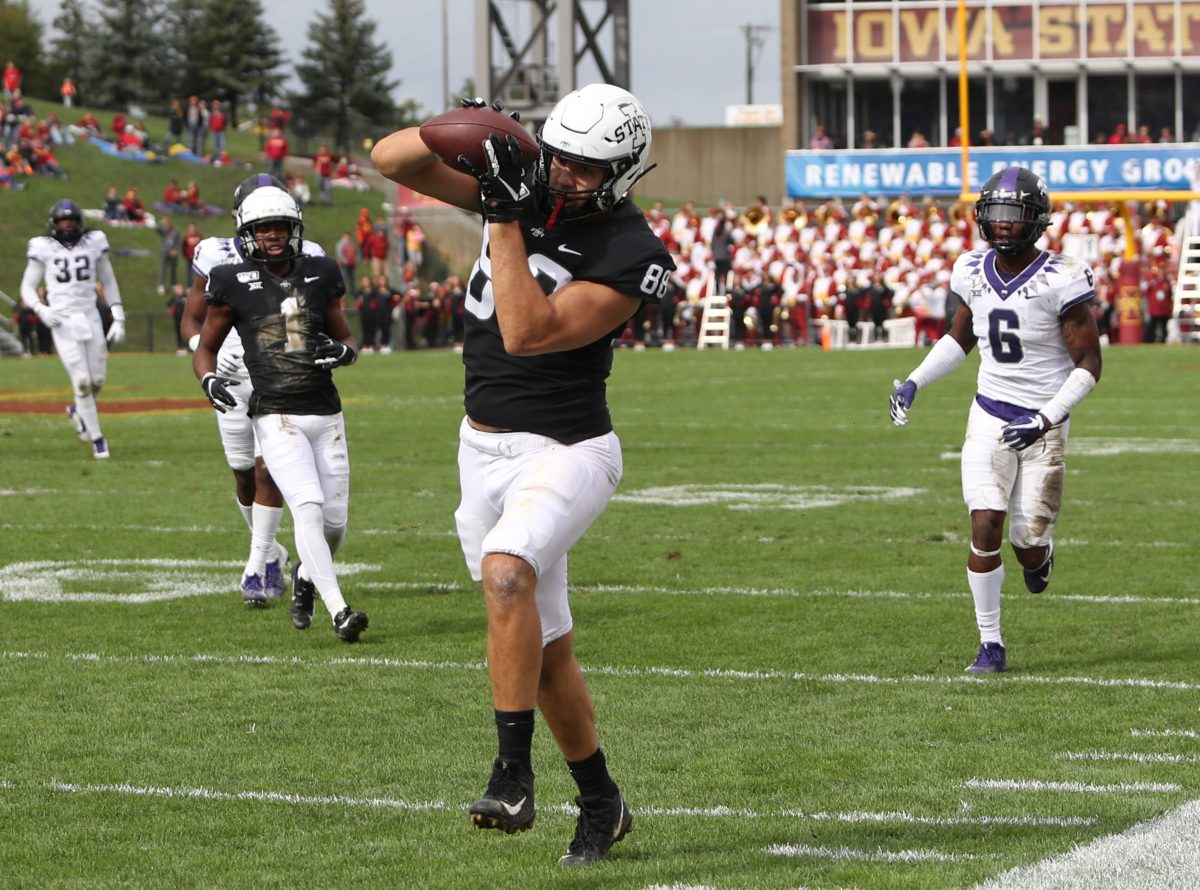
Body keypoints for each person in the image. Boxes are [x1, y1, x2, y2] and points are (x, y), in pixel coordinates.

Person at [371, 83, 673, 866]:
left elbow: (527, 331)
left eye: (583, 166)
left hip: (568, 450)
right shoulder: (527, 180)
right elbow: (389, 159)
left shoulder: (632, 251)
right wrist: (476, 130)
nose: (565, 175)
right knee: (547, 653)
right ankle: (602, 802)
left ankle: (511, 774)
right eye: (558, 156)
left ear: (623, 171)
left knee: (507, 577)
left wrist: (503, 212)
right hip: (480, 451)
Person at [889, 166, 1103, 675]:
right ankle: (990, 644)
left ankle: (1041, 554)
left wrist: (1046, 418)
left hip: (1043, 421)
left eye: (1014, 214)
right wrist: (915, 379)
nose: (1003, 224)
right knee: (984, 522)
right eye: (996, 214)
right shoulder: (969, 269)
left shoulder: (1062, 277)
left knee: (1026, 543)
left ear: (1035, 220)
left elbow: (1090, 364)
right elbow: (960, 337)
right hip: (989, 412)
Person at [193, 185, 367, 642]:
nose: (272, 235)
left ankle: (305, 577)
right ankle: (340, 611)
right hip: (273, 413)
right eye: (262, 228)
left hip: (325, 412)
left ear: (295, 229)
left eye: (280, 227)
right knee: (306, 508)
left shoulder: (321, 271)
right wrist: (208, 377)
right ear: (246, 233)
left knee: (333, 527)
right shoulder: (230, 280)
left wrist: (343, 353)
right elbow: (205, 346)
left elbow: (346, 336)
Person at [181, 174, 328, 605]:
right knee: (244, 472)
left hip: (277, 376)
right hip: (228, 378)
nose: (273, 230)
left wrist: (294, 355)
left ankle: (258, 564)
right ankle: (269, 550)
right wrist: (203, 351)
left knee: (269, 469)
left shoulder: (306, 257)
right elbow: (192, 320)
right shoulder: (213, 254)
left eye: (279, 221)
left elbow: (304, 320)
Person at [19, 200, 126, 459]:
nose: (67, 225)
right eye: (62, 221)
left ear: (79, 221)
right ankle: (97, 439)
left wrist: (118, 315)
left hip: (89, 316)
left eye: (71, 220)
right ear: (54, 223)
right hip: (62, 319)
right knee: (81, 381)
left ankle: (79, 411)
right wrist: (41, 309)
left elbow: (108, 280)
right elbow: (27, 287)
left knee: (97, 380)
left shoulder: (94, 242)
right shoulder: (43, 246)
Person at [156, 215, 182, 294]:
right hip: (165, 251)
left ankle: (173, 284)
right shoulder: (163, 230)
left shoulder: (176, 231)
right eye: (166, 223)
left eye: (168, 223)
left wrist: (175, 250)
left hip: (173, 252)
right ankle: (161, 285)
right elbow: (156, 229)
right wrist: (160, 222)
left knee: (173, 269)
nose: (167, 224)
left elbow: (178, 242)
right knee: (163, 268)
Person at [167, 283, 187, 354]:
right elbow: (169, 307)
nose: (179, 290)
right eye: (178, 289)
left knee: (186, 333)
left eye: (180, 289)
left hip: (186, 320)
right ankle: (181, 348)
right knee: (178, 333)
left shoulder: (187, 297)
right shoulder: (174, 299)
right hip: (177, 319)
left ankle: (188, 347)